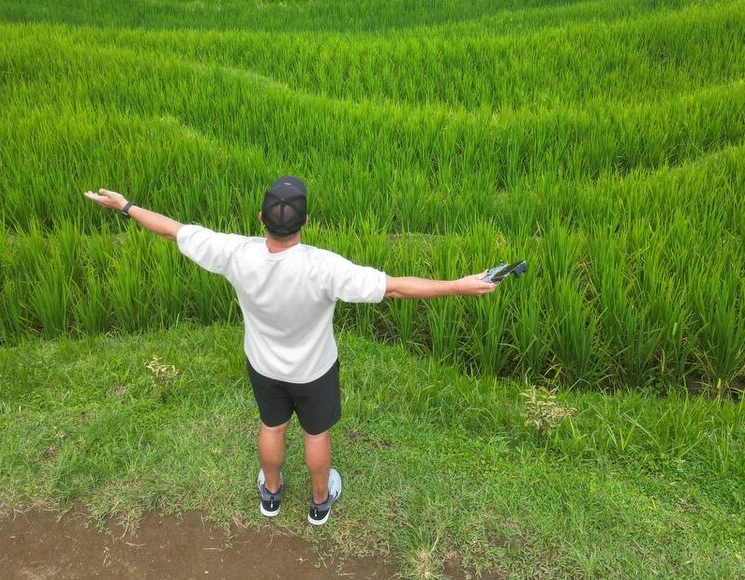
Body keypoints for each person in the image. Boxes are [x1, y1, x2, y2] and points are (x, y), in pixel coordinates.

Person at [84, 176, 497, 525]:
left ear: (261, 218)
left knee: (272, 427)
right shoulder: (324, 266)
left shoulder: (235, 252)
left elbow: (172, 228)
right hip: (315, 370)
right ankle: (319, 503)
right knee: (315, 433)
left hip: (264, 366)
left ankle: (272, 494)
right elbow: (395, 286)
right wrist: (459, 285)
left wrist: (126, 206)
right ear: (307, 222)